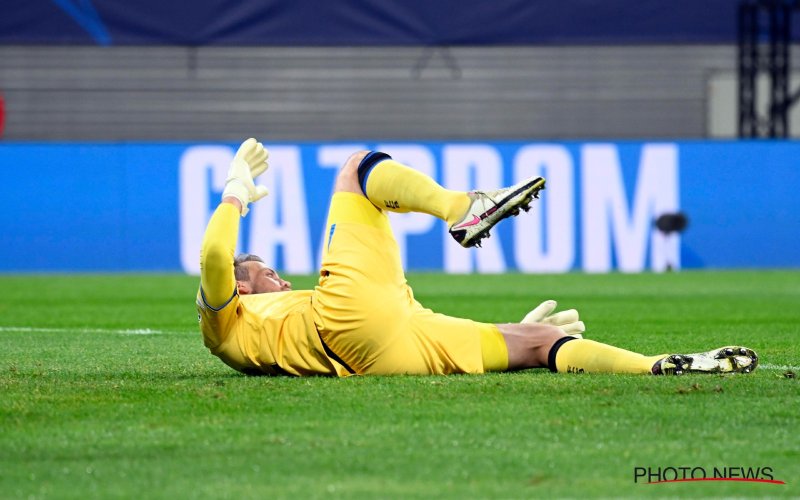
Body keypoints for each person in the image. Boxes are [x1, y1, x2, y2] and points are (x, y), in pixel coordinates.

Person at [195, 138, 759, 377]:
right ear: (240, 289)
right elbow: (215, 253)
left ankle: (656, 366)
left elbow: (388, 320)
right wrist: (235, 194)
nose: (281, 275)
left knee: (536, 344)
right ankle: (465, 206)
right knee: (357, 168)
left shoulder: (259, 329)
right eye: (266, 272)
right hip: (344, 322)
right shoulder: (226, 321)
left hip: (391, 348)